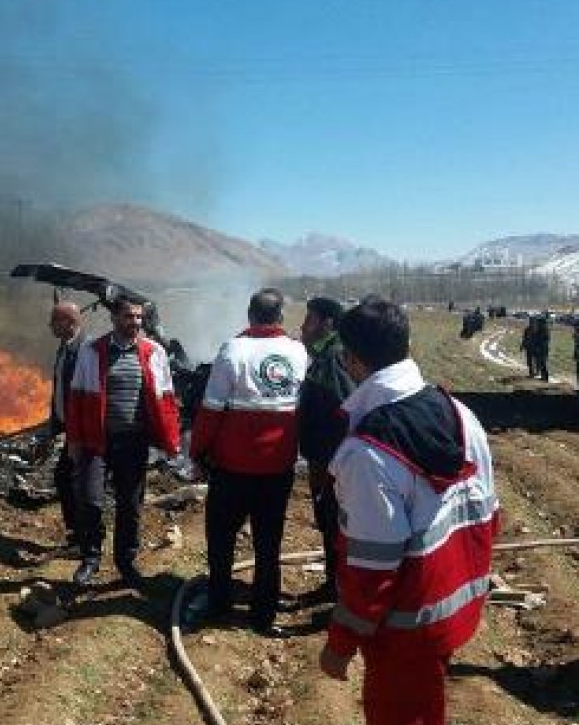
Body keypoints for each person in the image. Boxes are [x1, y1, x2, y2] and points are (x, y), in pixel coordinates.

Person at [318, 298, 499, 725]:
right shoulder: (459, 411)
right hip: (455, 605)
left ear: (350, 359)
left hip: (405, 630)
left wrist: (340, 644)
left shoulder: (366, 452)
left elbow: (372, 569)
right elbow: (490, 512)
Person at [189, 288, 308, 636]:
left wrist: (197, 452)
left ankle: (220, 601)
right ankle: (263, 613)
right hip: (279, 468)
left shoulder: (233, 349)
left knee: (222, 537)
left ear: (250, 315)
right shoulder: (298, 352)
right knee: (269, 542)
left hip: (233, 468)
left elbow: (210, 410)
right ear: (281, 317)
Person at [66, 296, 181, 587]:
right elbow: (77, 398)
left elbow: (167, 400)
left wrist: (170, 441)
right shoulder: (92, 352)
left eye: (140, 317)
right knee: (91, 501)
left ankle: (125, 561)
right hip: (96, 441)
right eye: (129, 317)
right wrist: (74, 440)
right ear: (114, 318)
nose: (136, 323)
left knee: (130, 506)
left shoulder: (154, 352)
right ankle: (90, 558)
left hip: (133, 442)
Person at [297, 296, 355, 604]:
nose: (302, 327)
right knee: (328, 522)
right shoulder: (324, 356)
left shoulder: (333, 359)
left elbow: (345, 412)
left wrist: (332, 465)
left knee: (334, 522)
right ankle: (334, 585)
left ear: (327, 324)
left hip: (332, 463)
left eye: (309, 321)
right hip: (326, 459)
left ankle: (341, 592)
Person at [46, 301, 87, 554]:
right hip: (68, 428)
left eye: (55, 321)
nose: (50, 326)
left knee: (73, 481)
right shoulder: (65, 348)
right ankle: (78, 536)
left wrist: (76, 433)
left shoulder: (85, 351)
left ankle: (83, 540)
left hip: (81, 432)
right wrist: (55, 425)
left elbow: (85, 395)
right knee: (65, 478)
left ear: (70, 323)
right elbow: (59, 389)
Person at [532, 313, 551, 382]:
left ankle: (545, 377)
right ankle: (543, 376)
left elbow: (545, 340)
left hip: (543, 349)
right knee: (541, 363)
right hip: (541, 348)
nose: (537, 323)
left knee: (543, 363)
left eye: (538, 322)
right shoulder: (541, 329)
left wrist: (539, 347)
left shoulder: (544, 330)